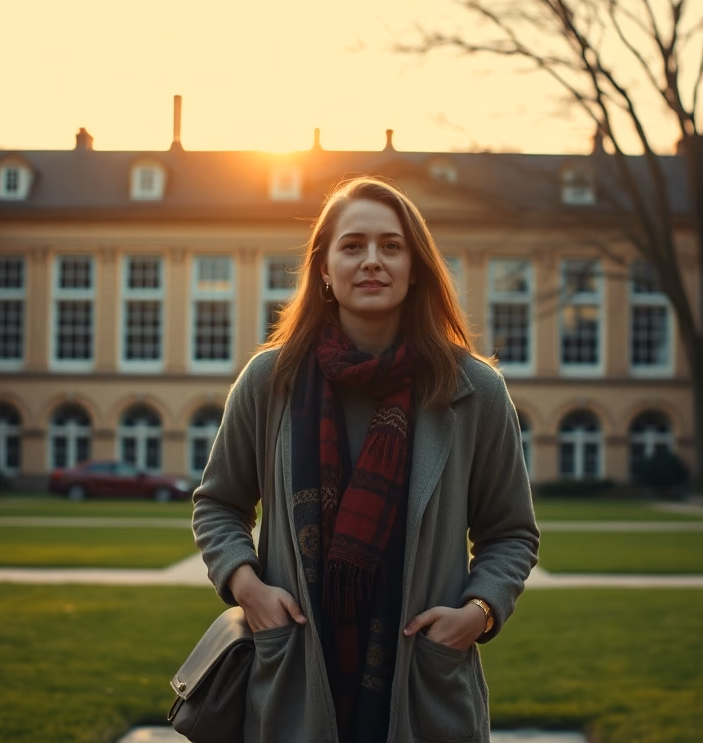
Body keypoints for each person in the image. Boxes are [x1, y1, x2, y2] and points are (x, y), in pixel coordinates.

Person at [192, 176, 539, 743]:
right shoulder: (270, 381)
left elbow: (512, 533)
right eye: (352, 246)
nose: (372, 261)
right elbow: (218, 505)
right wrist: (246, 586)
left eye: (391, 246)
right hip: (294, 673)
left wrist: (478, 614)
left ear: (416, 267)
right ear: (324, 269)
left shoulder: (474, 391)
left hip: (422, 682)